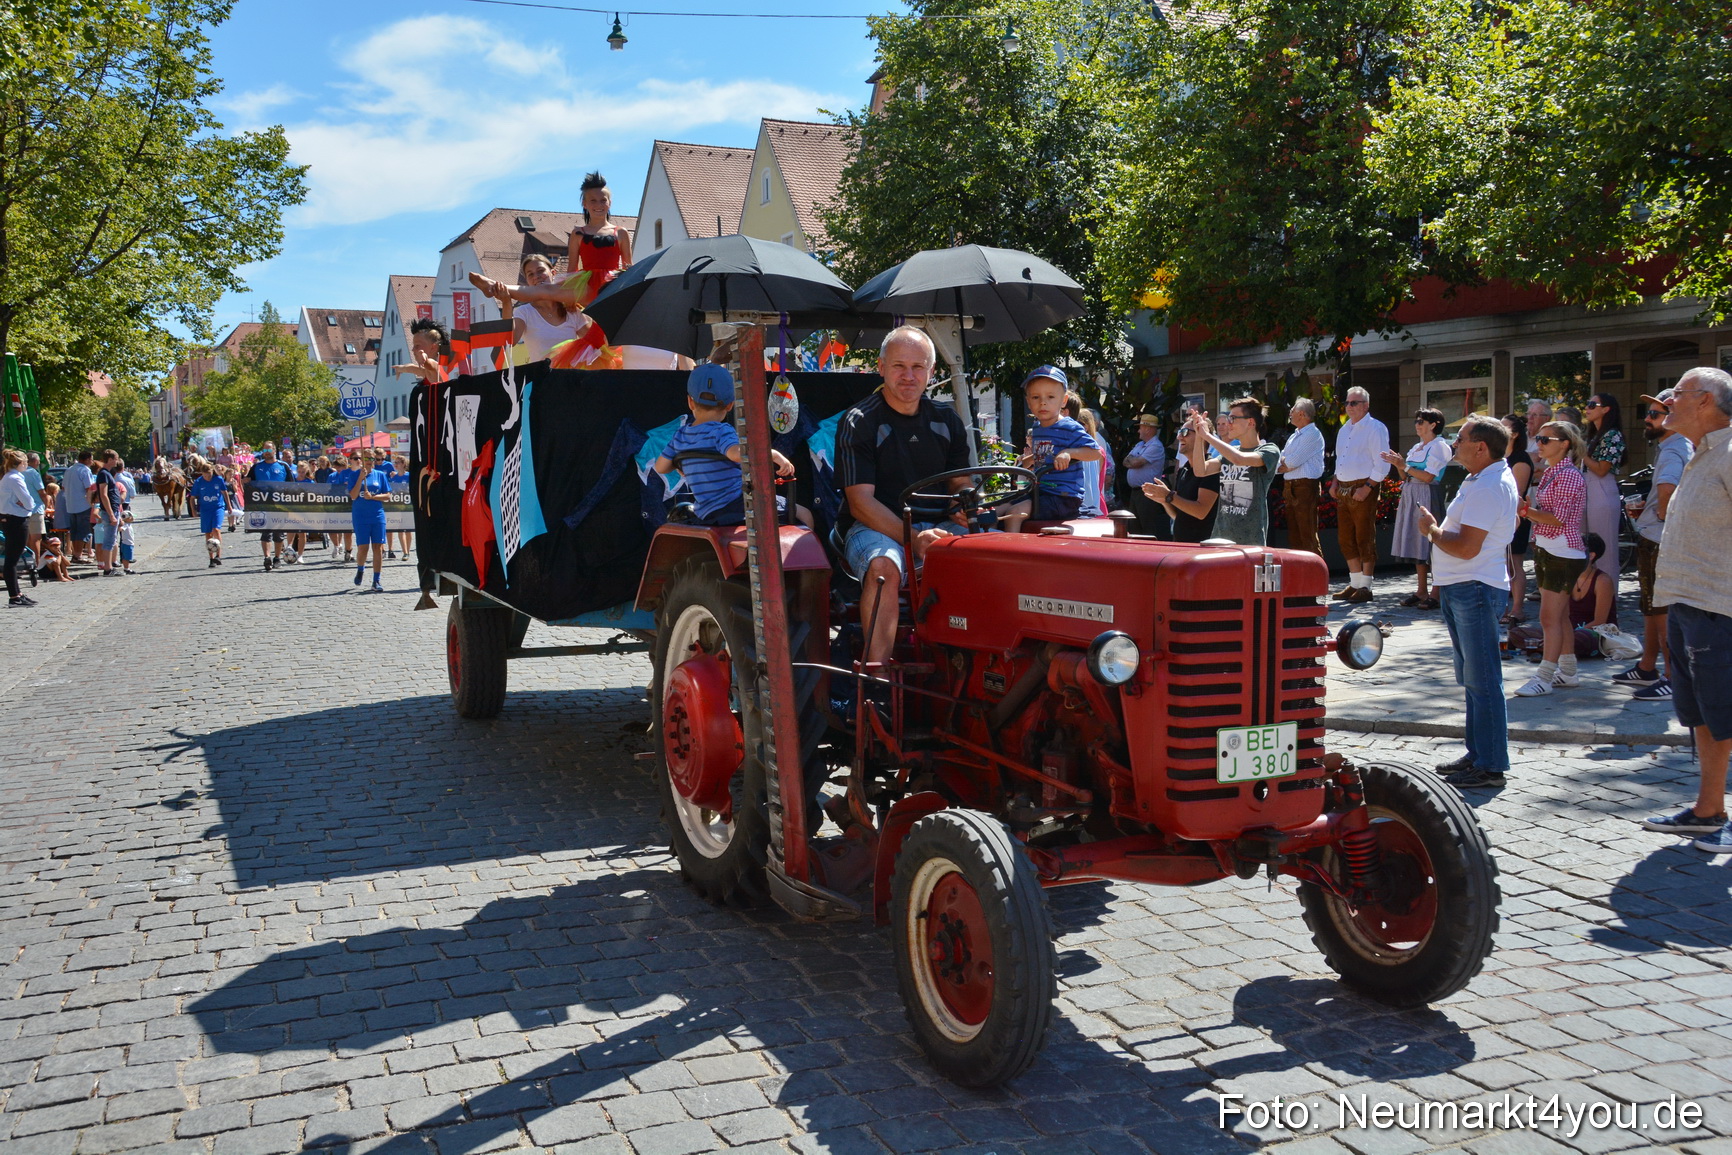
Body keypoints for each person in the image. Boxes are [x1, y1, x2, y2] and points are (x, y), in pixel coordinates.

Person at [836, 326, 973, 666]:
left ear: (931, 372)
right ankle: (877, 676)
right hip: (872, 528)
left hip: (937, 525)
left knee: (998, 554)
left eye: (918, 367)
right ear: (880, 368)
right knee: (884, 566)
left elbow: (961, 482)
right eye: (899, 366)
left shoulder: (947, 419)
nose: (909, 376)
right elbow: (861, 503)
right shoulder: (860, 421)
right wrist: (914, 539)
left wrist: (967, 500)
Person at [1638, 366, 1732, 851]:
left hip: (1721, 607)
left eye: (1676, 393)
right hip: (1688, 604)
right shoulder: (1700, 455)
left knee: (1726, 713)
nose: (1666, 401)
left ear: (1706, 402)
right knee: (1704, 714)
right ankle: (1708, 809)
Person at [1417, 415, 1520, 789]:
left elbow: (1464, 547)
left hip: (1473, 587)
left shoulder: (1489, 485)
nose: (1454, 444)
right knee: (1474, 679)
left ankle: (1490, 763)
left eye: (1459, 439)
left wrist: (1431, 530)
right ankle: (1479, 753)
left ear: (1481, 447)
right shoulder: (1483, 479)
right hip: (1467, 586)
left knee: (1483, 679)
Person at [653, 363, 811, 528]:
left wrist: (682, 463)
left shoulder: (681, 435)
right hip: (738, 506)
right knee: (804, 514)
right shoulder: (722, 431)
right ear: (730, 405)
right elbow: (736, 454)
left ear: (690, 402)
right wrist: (773, 454)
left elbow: (661, 467)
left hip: (706, 513)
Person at [1615, 389, 1692, 700]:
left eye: (1655, 414)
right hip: (1655, 537)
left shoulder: (1674, 449)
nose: (1647, 419)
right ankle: (1648, 667)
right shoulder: (1671, 446)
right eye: (1647, 413)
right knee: (1650, 609)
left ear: (1673, 419)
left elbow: (1668, 496)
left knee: (1662, 613)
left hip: (1660, 540)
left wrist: (1657, 511)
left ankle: (1674, 678)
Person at [1515, 421, 1588, 697]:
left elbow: (1558, 519)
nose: (1539, 443)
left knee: (1549, 618)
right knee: (1560, 616)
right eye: (1538, 438)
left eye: (1545, 439)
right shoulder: (1552, 472)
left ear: (1564, 443)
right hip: (1551, 549)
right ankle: (1568, 672)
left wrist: (1526, 512)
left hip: (1562, 551)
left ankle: (1544, 677)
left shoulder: (1567, 475)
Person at [1001, 367, 1101, 533]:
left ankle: (1012, 553)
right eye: (1035, 397)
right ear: (1028, 402)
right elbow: (1044, 454)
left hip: (1063, 497)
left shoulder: (1069, 427)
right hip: (1041, 491)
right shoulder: (1038, 427)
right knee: (993, 511)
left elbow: (1095, 452)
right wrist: (1026, 462)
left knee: (1013, 513)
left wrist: (1069, 453)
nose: (1043, 402)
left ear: (1063, 401)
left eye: (1051, 397)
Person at [1384, 408, 1452, 609]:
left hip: (1427, 493)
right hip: (1411, 493)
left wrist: (1403, 466)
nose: (1417, 424)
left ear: (1433, 425)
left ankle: (1436, 592)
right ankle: (1421, 590)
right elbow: (1405, 476)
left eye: (1421, 421)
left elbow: (1429, 477)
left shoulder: (1439, 446)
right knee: (1417, 543)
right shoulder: (1417, 447)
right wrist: (1397, 464)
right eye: (1416, 421)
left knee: (1432, 542)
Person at [1330, 386, 1391, 603]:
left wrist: (1367, 488)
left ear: (1366, 405)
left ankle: (1366, 585)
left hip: (1363, 485)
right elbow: (1340, 459)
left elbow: (1382, 463)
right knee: (1345, 537)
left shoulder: (1376, 428)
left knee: (1364, 535)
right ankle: (1355, 583)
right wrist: (1335, 483)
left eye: (1354, 403)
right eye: (1347, 403)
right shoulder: (1345, 429)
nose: (1349, 406)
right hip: (1345, 486)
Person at [1192, 398, 1280, 545]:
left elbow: (1239, 459)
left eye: (1233, 418)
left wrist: (1207, 436)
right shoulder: (1231, 452)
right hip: (1220, 538)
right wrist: (1199, 436)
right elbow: (1201, 470)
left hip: (1250, 541)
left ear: (1251, 422)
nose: (1228, 423)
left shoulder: (1269, 450)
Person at [1144, 421, 1220, 542]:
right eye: (1180, 432)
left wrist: (1169, 495)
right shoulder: (1184, 469)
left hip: (1202, 549)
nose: (1179, 437)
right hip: (1181, 546)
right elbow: (1178, 516)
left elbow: (1201, 512)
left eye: (1185, 433)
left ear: (1203, 437)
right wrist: (1164, 500)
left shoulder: (1211, 470)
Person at [568, 171, 633, 307]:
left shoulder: (621, 233)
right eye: (593, 200)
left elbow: (628, 268)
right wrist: (569, 300)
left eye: (603, 200)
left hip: (612, 287)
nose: (599, 205)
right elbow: (572, 269)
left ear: (610, 203)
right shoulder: (578, 233)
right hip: (586, 288)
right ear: (584, 204)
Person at [1580, 393, 1625, 582]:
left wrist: (1581, 453)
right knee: (1586, 548)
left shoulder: (1613, 435)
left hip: (1602, 489)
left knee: (1604, 552)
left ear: (1606, 409)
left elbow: (1601, 470)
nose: (1587, 408)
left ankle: (1609, 605)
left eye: (1592, 404)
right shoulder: (1595, 435)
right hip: (1587, 487)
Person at [1277, 398, 1325, 555]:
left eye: (1292, 410)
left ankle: (1317, 576)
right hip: (1291, 487)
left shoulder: (1312, 434)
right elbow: (1280, 462)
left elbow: (1291, 461)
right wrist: (1286, 463)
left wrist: (1286, 463)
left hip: (1305, 487)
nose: (1290, 413)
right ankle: (1301, 576)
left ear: (1302, 414)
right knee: (1295, 537)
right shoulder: (1295, 435)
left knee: (1307, 536)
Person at [1500, 413, 1534, 624]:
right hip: (1499, 517)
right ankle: (1504, 608)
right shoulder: (1500, 457)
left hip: (1515, 518)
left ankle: (1518, 609)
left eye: (1503, 427)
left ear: (1514, 434)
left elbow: (1517, 495)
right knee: (1503, 564)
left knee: (1515, 563)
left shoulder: (1521, 460)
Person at [347, 454, 392, 592]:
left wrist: (373, 497)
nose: (368, 461)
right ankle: (360, 569)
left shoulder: (379, 475)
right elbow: (353, 496)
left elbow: (388, 495)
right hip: (361, 516)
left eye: (371, 458)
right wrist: (361, 478)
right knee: (363, 547)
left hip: (377, 515)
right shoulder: (354, 475)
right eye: (365, 458)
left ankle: (376, 580)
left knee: (378, 547)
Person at [1123, 413, 1169, 538]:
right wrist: (1133, 461)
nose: (1138, 430)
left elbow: (1136, 462)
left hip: (1148, 493)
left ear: (1148, 429)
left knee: (1148, 529)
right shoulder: (1139, 445)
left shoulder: (1156, 446)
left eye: (1141, 427)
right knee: (1134, 528)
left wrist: (1133, 461)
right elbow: (1125, 461)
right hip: (1136, 493)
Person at [247, 448, 292, 571]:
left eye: (269, 449)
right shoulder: (256, 467)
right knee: (266, 532)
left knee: (279, 533)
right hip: (263, 505)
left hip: (280, 505)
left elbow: (292, 485)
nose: (266, 452)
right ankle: (267, 557)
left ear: (274, 451)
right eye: (264, 449)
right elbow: (248, 482)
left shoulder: (283, 466)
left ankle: (277, 558)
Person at [2, 449, 36, 607]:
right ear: (21, 463)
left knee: (12, 558)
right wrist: (28, 505)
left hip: (12, 519)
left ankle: (17, 593)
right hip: (17, 520)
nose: (27, 465)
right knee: (12, 560)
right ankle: (14, 596)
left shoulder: (8, 477)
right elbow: (29, 501)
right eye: (26, 462)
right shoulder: (15, 478)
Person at [189, 459, 230, 566]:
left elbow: (224, 492)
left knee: (216, 529)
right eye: (205, 475)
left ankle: (218, 556)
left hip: (218, 507)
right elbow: (192, 498)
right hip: (205, 509)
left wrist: (229, 506)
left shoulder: (218, 479)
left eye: (209, 475)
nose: (207, 477)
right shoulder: (198, 482)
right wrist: (193, 510)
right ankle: (211, 558)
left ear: (212, 472)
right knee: (208, 533)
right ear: (202, 474)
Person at [92, 449, 123, 576]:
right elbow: (103, 495)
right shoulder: (104, 474)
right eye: (116, 458)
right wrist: (111, 514)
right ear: (110, 459)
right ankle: (108, 568)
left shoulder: (107, 473)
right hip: (109, 511)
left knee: (111, 539)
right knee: (109, 540)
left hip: (113, 510)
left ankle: (108, 566)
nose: (117, 461)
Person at [61, 449, 94, 564]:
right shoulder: (85, 470)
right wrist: (92, 503)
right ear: (88, 459)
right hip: (83, 505)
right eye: (91, 459)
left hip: (70, 505)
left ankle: (76, 553)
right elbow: (89, 488)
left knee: (74, 531)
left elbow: (63, 487)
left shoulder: (69, 470)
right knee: (83, 531)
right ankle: (78, 555)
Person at [22, 451, 45, 559]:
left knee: (25, 539)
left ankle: (27, 562)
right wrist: (47, 504)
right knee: (36, 538)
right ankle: (36, 563)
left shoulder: (19, 472)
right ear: (35, 461)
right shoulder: (34, 473)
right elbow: (41, 492)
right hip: (36, 508)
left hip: (22, 509)